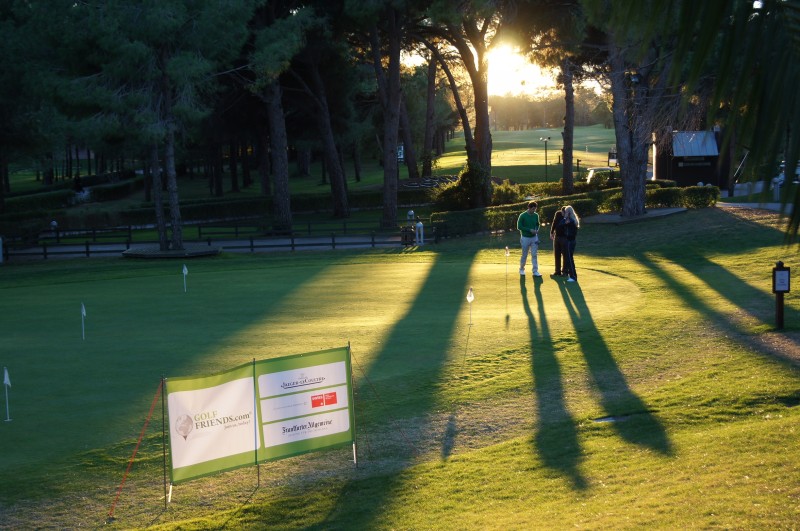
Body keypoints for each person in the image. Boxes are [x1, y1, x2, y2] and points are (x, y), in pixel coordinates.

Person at [517, 201, 541, 277]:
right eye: (533, 209)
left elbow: (537, 224)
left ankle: (535, 271)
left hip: (534, 238)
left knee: (534, 254)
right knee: (524, 254)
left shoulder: (536, 215)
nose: (534, 211)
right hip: (525, 238)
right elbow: (519, 226)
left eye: (535, 209)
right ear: (529, 208)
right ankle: (521, 269)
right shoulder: (522, 215)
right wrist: (529, 230)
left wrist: (536, 230)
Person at [560, 205, 580, 282]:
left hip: (569, 241)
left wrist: (565, 217)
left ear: (568, 212)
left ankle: (573, 276)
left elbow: (561, 224)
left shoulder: (570, 221)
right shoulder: (573, 219)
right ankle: (572, 275)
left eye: (566, 211)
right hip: (572, 241)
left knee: (569, 259)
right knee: (569, 258)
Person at [550, 208, 566, 276]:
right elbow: (554, 222)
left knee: (565, 255)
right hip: (557, 236)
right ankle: (557, 271)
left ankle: (565, 271)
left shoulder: (568, 215)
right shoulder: (558, 214)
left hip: (565, 237)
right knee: (557, 254)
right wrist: (551, 232)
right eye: (562, 212)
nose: (563, 213)